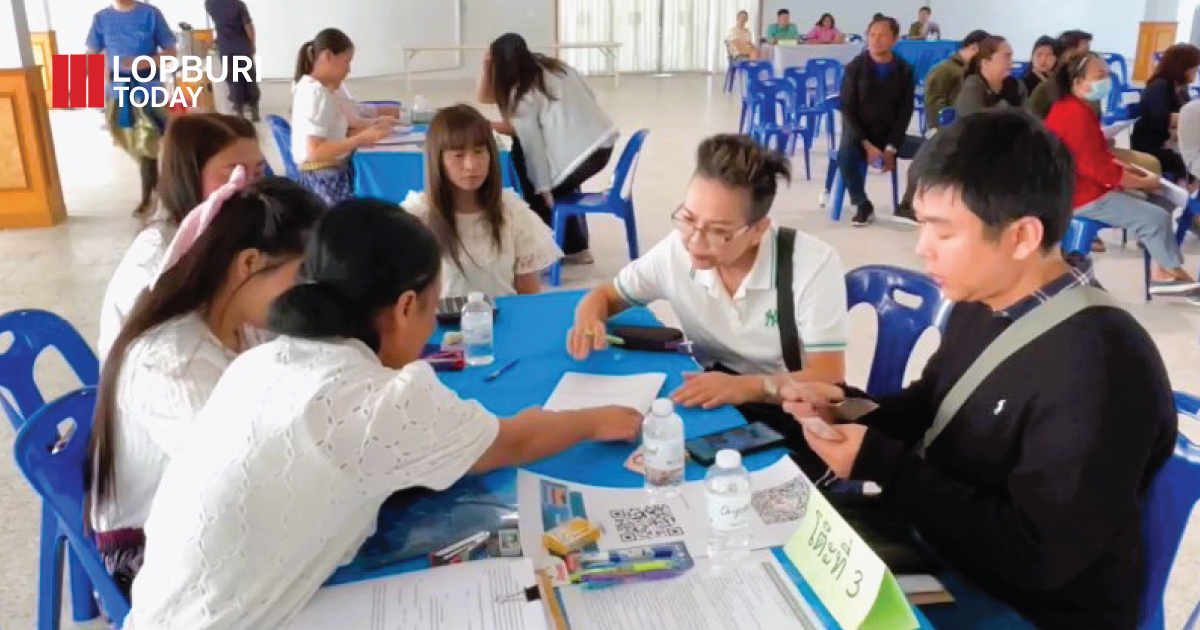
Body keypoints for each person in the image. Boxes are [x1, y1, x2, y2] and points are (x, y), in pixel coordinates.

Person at [126, 199, 642, 629]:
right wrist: (595, 420)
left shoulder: (263, 361)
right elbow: (510, 443)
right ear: (405, 305)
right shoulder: (377, 401)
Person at [780, 109, 1177, 630]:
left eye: (943, 233)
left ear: (1021, 237)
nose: (922, 249)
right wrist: (849, 407)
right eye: (922, 226)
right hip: (946, 548)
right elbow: (935, 402)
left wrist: (884, 463)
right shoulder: (983, 297)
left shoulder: (1100, 367)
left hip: (1030, 606)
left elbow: (1037, 555)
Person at [88, 176, 325, 598]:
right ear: (249, 263)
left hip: (225, 511)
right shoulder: (172, 362)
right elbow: (233, 485)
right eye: (302, 275)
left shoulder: (241, 319)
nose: (309, 294)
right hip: (154, 550)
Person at [568, 134, 847, 440]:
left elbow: (829, 377)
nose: (695, 241)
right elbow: (606, 295)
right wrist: (588, 320)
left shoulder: (811, 265)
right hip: (713, 395)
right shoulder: (677, 250)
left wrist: (748, 387)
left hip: (790, 410)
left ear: (757, 231)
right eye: (687, 219)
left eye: (719, 232)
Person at [99, 113, 266, 361]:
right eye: (234, 172)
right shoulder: (158, 258)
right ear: (190, 174)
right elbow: (174, 357)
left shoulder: (226, 233)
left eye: (259, 172)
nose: (251, 186)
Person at [1045, 53, 1200, 295]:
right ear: (1078, 82)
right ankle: (1170, 274)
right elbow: (1097, 169)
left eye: (1107, 74)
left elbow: (1096, 156)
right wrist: (1139, 182)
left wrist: (1126, 170)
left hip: (1086, 185)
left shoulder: (1077, 108)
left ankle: (1162, 268)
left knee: (1161, 200)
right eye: (1100, 75)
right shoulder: (1073, 114)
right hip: (1081, 196)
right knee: (1154, 216)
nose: (1107, 80)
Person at [477, 33, 618, 265]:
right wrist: (486, 67)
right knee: (561, 183)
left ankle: (548, 251)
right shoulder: (554, 67)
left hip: (580, 155)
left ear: (500, 67)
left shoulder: (522, 93)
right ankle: (576, 247)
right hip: (601, 143)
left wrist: (542, 187)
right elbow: (484, 98)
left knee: (528, 173)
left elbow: (533, 145)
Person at [401, 104, 561, 298]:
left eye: (479, 151)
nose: (471, 165)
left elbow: (529, 297)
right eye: (458, 155)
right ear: (438, 160)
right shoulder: (418, 216)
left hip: (504, 323)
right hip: (442, 326)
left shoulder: (512, 212)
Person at [86, 0, 178, 218]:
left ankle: (151, 196)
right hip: (118, 92)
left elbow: (171, 53)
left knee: (147, 141)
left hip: (148, 89)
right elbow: (90, 55)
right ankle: (156, 189)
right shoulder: (101, 19)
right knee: (133, 143)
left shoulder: (151, 14)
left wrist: (143, 62)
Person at [291, 28, 394, 205]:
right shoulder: (316, 93)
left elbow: (332, 135)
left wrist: (371, 129)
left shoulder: (320, 90)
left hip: (327, 174)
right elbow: (315, 151)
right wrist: (360, 139)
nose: (349, 69)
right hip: (323, 180)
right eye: (347, 61)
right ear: (328, 56)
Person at [837, 15, 920, 227]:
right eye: (872, 34)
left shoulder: (904, 70)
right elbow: (848, 110)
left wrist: (891, 147)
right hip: (859, 136)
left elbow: (905, 112)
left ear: (894, 40)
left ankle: (909, 204)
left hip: (890, 136)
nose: (876, 39)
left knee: (931, 149)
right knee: (845, 152)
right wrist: (867, 145)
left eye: (883, 35)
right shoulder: (854, 68)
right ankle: (862, 203)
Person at [1131, 43, 1200, 183]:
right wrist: (1186, 120)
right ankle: (1186, 194)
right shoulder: (1159, 86)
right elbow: (1158, 120)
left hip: (1170, 140)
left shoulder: (1181, 89)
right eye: (1194, 69)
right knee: (1187, 163)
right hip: (1152, 144)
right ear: (1182, 68)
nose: (1196, 72)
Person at [923, 29, 990, 133]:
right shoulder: (943, 69)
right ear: (974, 47)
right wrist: (942, 132)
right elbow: (934, 104)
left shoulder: (973, 72)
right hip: (950, 134)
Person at [204, 0, 260, 121]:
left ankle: (239, 110)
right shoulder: (238, 4)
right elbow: (248, 26)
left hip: (226, 48)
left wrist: (215, 41)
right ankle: (254, 110)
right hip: (242, 46)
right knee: (249, 77)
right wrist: (252, 43)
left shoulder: (210, 4)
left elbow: (222, 26)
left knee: (233, 79)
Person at [954, 36, 1027, 118]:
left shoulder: (1017, 87)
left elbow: (1028, 123)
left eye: (1011, 57)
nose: (1011, 63)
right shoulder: (972, 87)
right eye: (1006, 56)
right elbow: (973, 127)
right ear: (985, 62)